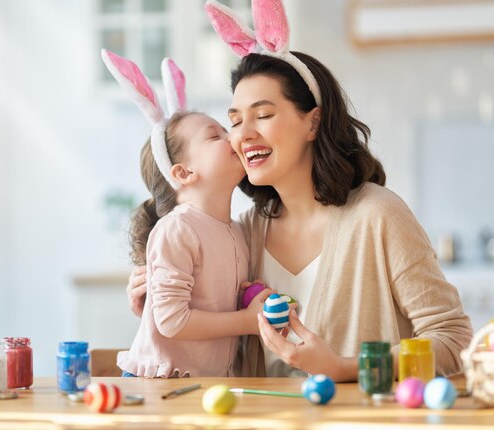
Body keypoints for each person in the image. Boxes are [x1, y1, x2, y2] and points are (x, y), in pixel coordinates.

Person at [127, 0, 473, 381]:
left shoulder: (377, 215)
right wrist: (151, 300)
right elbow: (201, 321)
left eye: (263, 115)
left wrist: (343, 368)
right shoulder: (245, 233)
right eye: (235, 121)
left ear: (313, 123)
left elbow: (452, 339)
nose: (242, 135)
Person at [102, 51, 274, 378]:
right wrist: (245, 321)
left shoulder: (236, 231)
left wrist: (244, 296)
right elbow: (171, 321)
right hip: (159, 384)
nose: (234, 137)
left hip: (199, 387)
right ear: (184, 174)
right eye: (216, 135)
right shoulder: (177, 230)